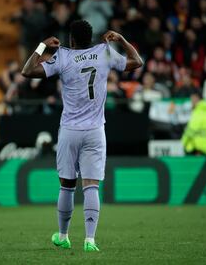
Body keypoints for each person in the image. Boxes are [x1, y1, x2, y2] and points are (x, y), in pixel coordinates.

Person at [21, 20, 143, 252]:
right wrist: (122, 40)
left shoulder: (63, 56)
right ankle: (90, 240)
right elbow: (137, 62)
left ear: (71, 39)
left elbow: (27, 71)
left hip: (69, 130)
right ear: (91, 37)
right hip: (96, 131)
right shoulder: (104, 52)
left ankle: (64, 235)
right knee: (91, 187)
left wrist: (41, 46)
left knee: (67, 186)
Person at [181, 92, 206, 156]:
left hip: (198, 149)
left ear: (198, 100)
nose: (192, 102)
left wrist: (182, 144)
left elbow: (190, 131)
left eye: (193, 100)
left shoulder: (198, 113)